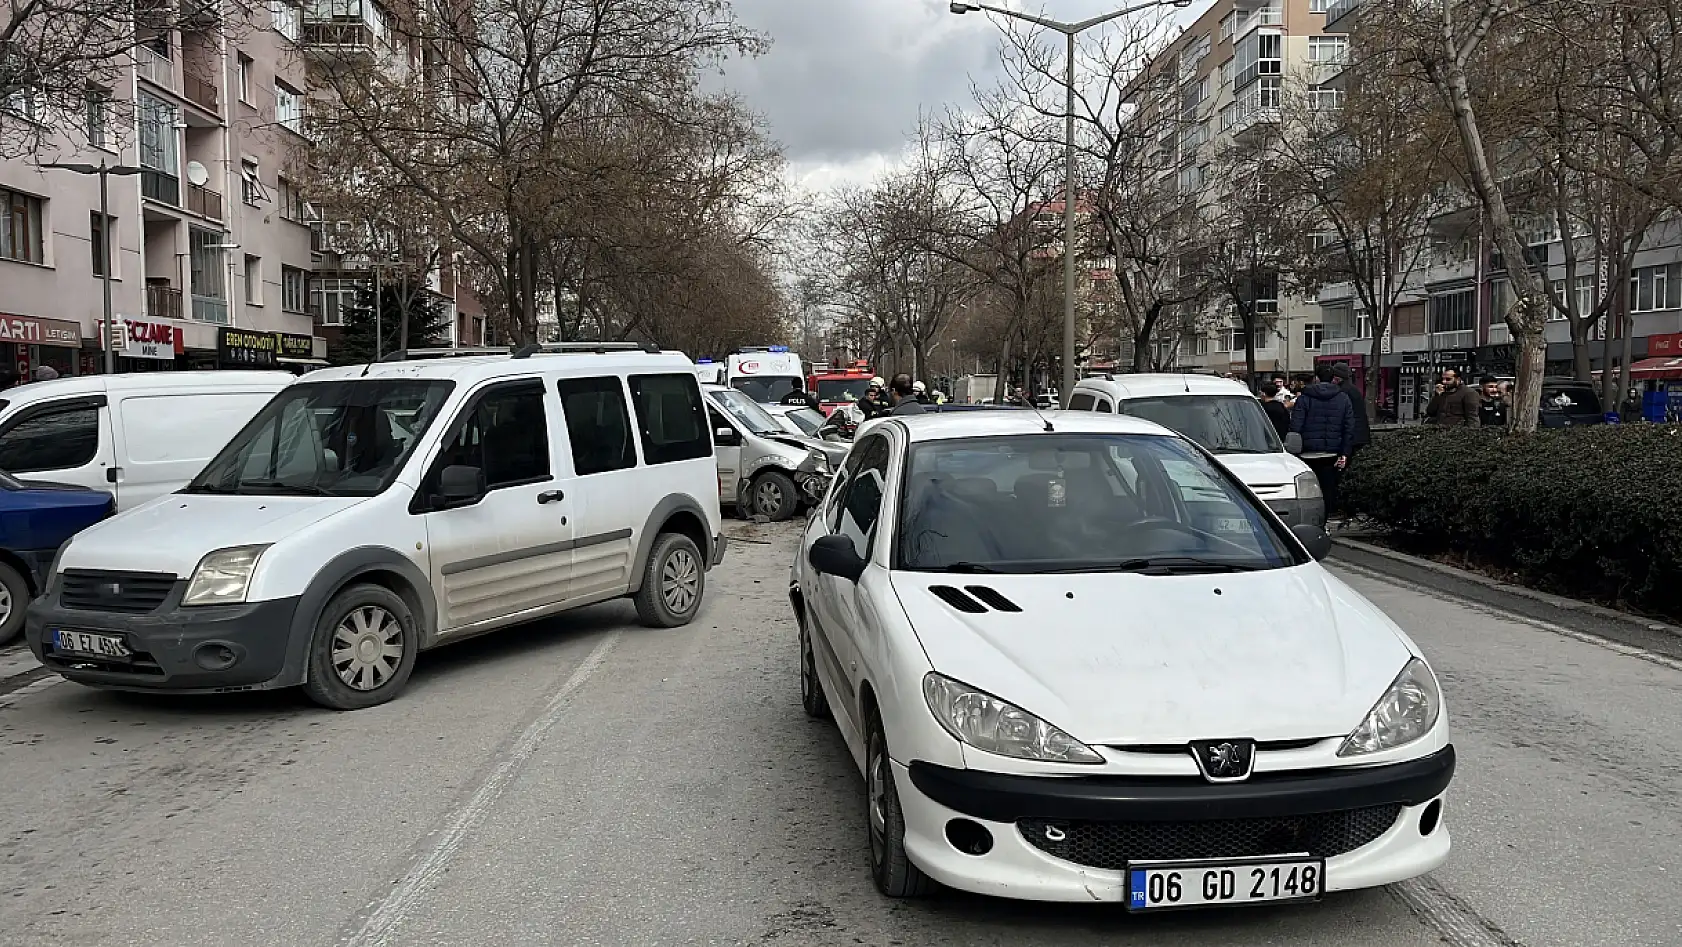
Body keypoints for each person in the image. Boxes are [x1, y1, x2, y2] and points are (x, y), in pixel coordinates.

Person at [1290, 364, 1357, 516]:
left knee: (1306, 491)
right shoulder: (1343, 398)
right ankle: (1324, 521)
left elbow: (1295, 426)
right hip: (1331, 452)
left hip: (1307, 453)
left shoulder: (1304, 398)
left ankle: (1308, 520)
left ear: (1316, 378)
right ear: (1334, 378)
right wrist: (1344, 453)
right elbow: (1348, 427)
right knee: (1328, 490)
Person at [1330, 363, 1371, 460]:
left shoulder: (1343, 391)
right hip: (1359, 434)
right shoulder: (1352, 389)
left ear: (1338, 378)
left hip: (1353, 436)